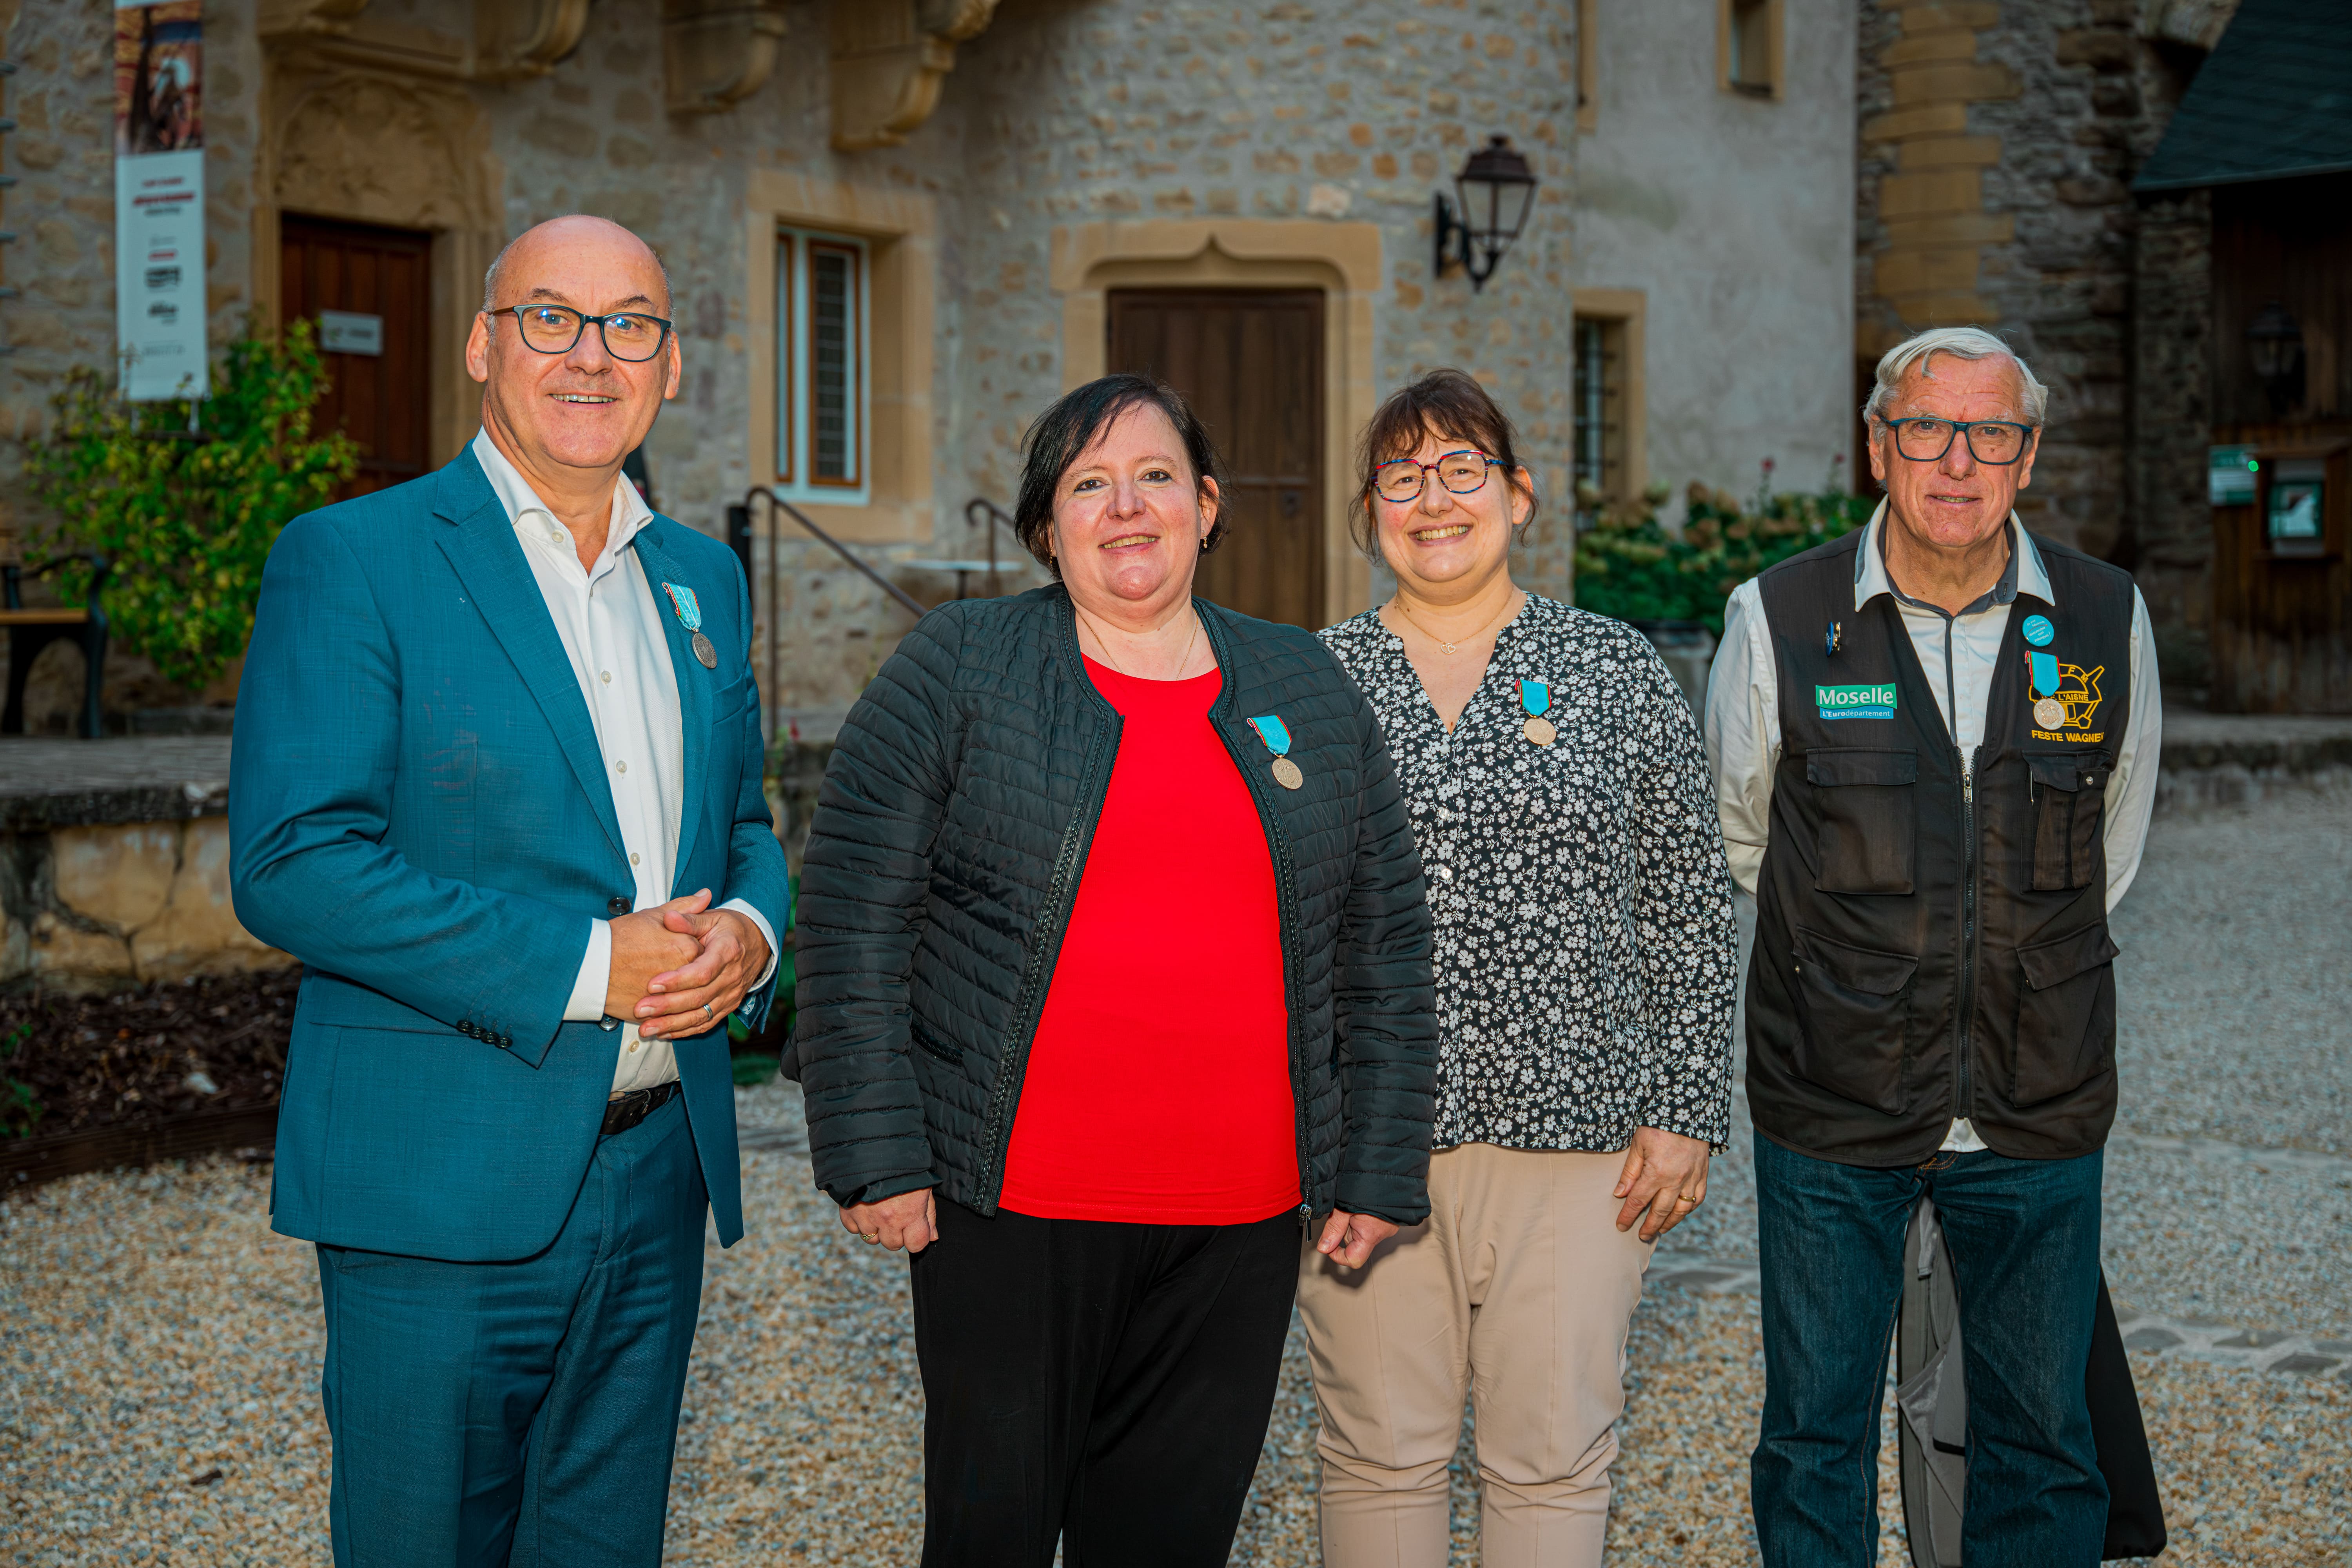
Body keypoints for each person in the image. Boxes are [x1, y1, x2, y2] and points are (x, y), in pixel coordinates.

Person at [791, 373, 1438, 1568]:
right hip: (1012, 1210)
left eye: (1155, 478)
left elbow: (1384, 943)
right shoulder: (961, 667)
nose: (1126, 508)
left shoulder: (1304, 683)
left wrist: (1377, 1164)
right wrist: (876, 1153)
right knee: (990, 1538)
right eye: (1090, 484)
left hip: (1238, 1218)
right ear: (1047, 527)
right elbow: (851, 917)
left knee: (1168, 1544)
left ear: (1206, 504)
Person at [229, 215, 789, 1567]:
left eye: (630, 325)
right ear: (485, 346)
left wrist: (752, 937)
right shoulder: (355, 557)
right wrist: (598, 968)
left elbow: (748, 822)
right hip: (439, 1188)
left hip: (657, 1177)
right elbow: (294, 861)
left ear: (670, 368)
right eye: (551, 316)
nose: (589, 355)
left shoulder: (701, 578)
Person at [1705, 325, 2162, 1566]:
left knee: (2043, 1441)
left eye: (1991, 433)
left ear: (2026, 457)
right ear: (1877, 447)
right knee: (1814, 1443)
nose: (1957, 461)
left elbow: (2108, 857)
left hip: (2038, 1099)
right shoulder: (1782, 616)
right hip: (1831, 1102)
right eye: (1927, 428)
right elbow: (1748, 837)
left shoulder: (2108, 618)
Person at [1304, 368, 1740, 1566]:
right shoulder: (1304, 687)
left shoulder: (1614, 670)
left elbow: (1689, 905)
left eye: (1463, 470)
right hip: (1365, 1146)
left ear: (1521, 496)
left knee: (1553, 1459)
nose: (1434, 499)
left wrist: (1687, 1109)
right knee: (1378, 1454)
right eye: (1402, 476)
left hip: (1583, 1145)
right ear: (1372, 510)